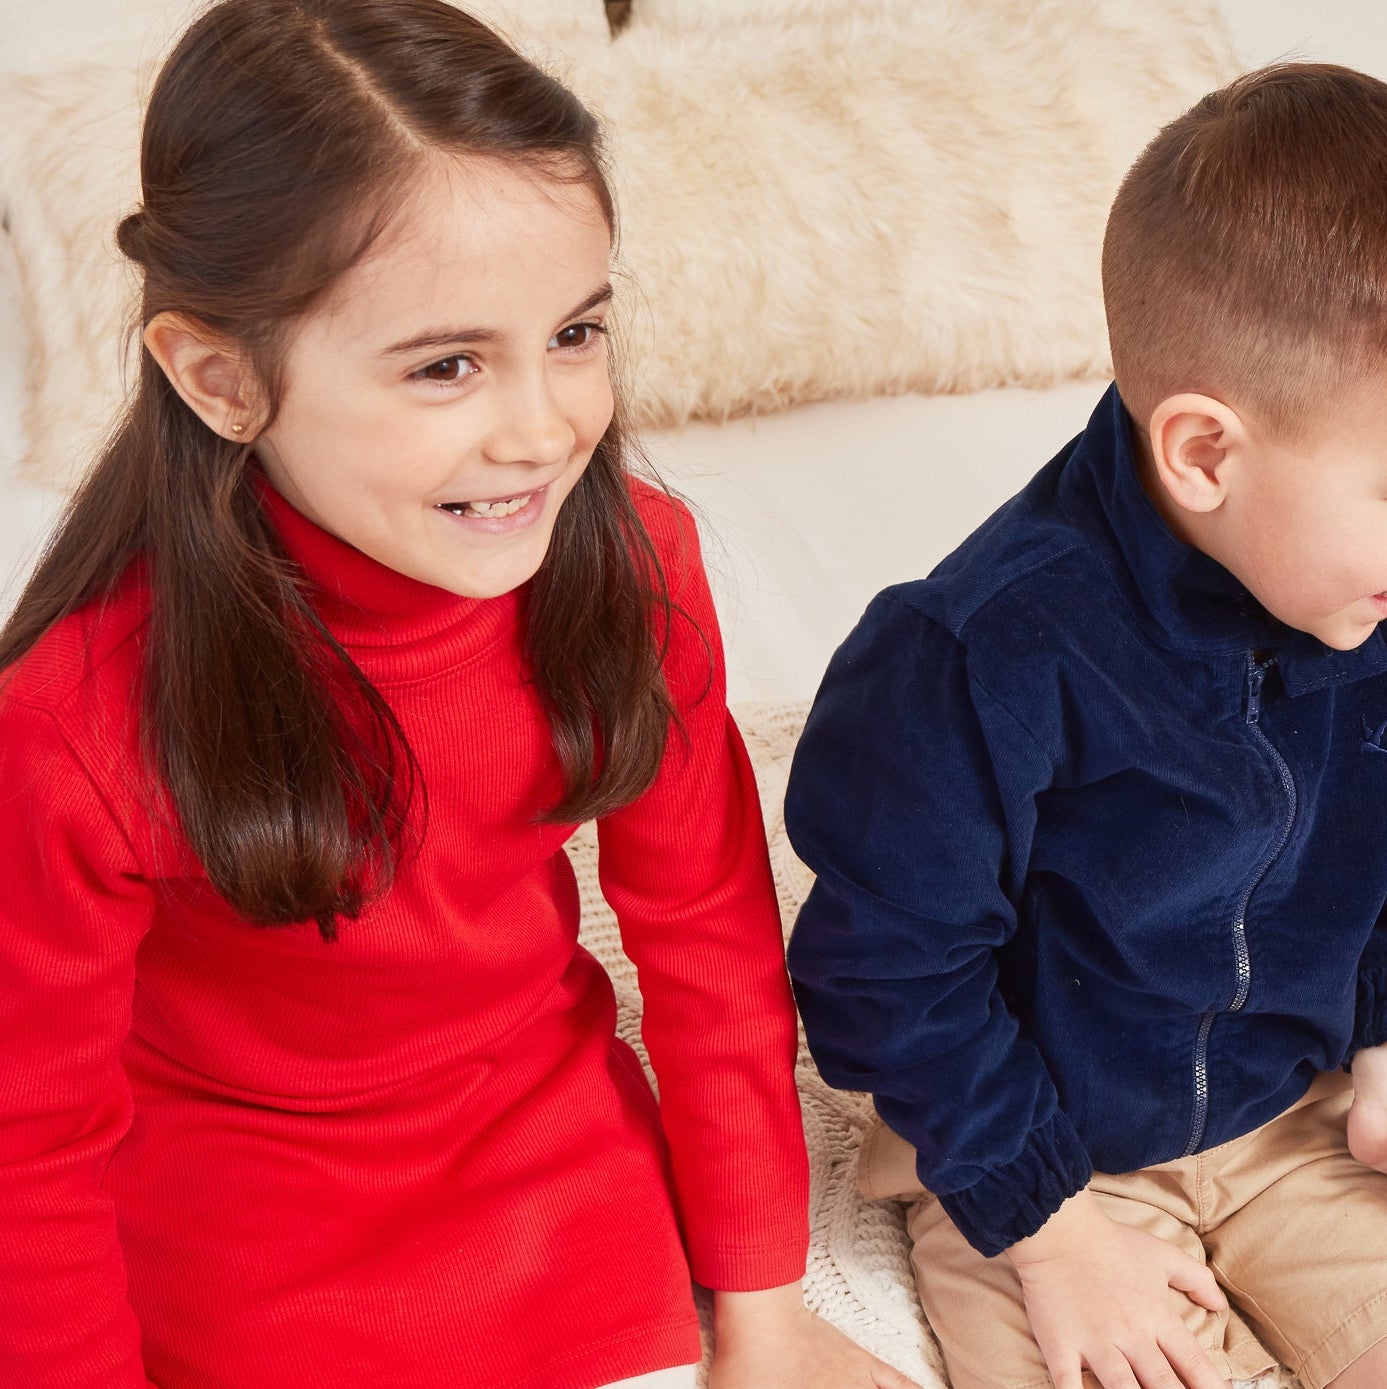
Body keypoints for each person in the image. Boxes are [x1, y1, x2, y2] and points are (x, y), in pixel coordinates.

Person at [0, 3, 913, 1386]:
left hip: (548, 1168)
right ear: (220, 376)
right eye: (446, 364)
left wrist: (765, 1303)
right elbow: (29, 1143)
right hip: (245, 1227)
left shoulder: (634, 563)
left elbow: (709, 942)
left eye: (575, 332)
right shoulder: (71, 724)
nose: (543, 426)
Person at [785, 63, 1387, 1389]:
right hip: (1046, 1155)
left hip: (1303, 1113)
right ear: (1207, 454)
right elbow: (888, 974)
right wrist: (1046, 1231)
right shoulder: (974, 653)